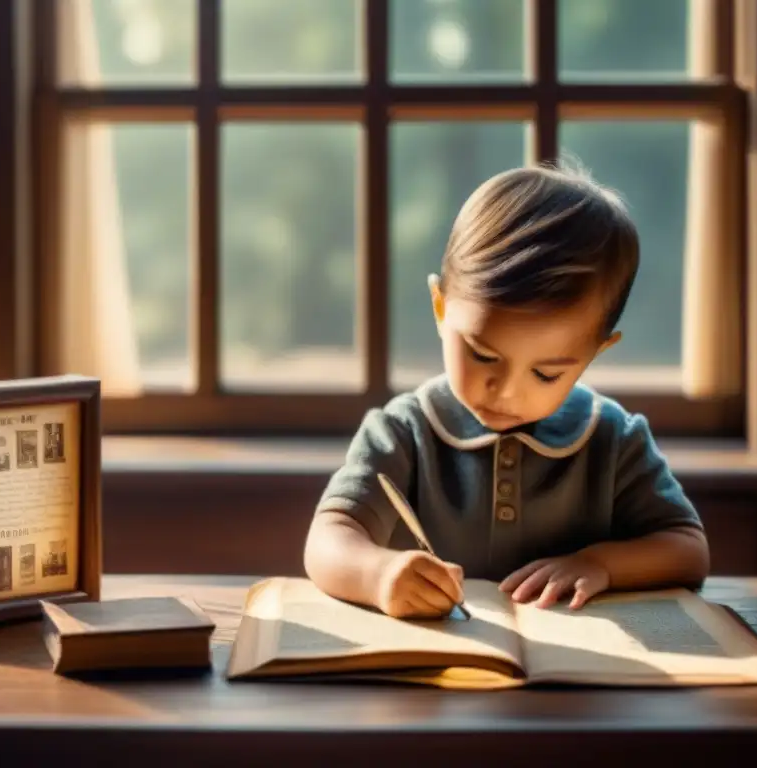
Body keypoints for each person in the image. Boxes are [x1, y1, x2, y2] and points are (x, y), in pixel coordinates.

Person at [303, 162, 710, 619]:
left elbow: (687, 549)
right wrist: (377, 574)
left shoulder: (613, 439)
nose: (506, 391)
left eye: (546, 374)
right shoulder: (402, 431)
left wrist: (600, 564)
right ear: (441, 308)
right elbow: (328, 539)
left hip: (576, 682)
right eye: (482, 355)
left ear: (596, 351)